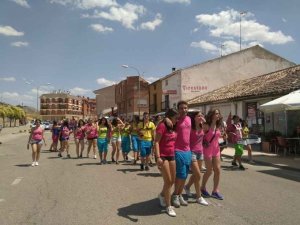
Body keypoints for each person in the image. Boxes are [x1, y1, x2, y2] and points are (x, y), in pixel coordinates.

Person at [154, 108, 178, 217]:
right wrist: (158, 157)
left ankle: (162, 195)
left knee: (172, 181)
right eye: (175, 118)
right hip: (162, 156)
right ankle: (169, 206)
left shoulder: (174, 126)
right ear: (170, 117)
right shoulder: (162, 126)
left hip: (171, 155)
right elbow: (156, 142)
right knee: (168, 181)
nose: (177, 120)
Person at [184, 111, 208, 206]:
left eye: (202, 115)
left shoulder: (202, 126)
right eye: (199, 116)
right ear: (194, 118)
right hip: (192, 152)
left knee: (196, 174)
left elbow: (208, 130)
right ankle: (199, 197)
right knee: (198, 174)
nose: (201, 117)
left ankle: (187, 186)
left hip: (200, 152)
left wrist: (204, 121)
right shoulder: (190, 127)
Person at [171, 101, 191, 208]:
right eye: (181, 108)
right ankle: (175, 195)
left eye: (185, 108)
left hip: (188, 151)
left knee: (185, 175)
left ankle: (179, 195)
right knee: (180, 175)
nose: (184, 110)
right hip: (178, 150)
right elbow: (164, 125)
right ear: (178, 110)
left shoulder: (189, 119)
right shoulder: (175, 121)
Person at [201, 109, 224, 200]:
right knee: (209, 171)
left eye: (218, 113)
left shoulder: (219, 125)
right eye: (216, 113)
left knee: (217, 170)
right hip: (207, 150)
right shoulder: (206, 125)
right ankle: (202, 188)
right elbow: (201, 135)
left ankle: (215, 191)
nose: (218, 115)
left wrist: (223, 137)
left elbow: (218, 136)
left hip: (216, 150)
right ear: (211, 115)